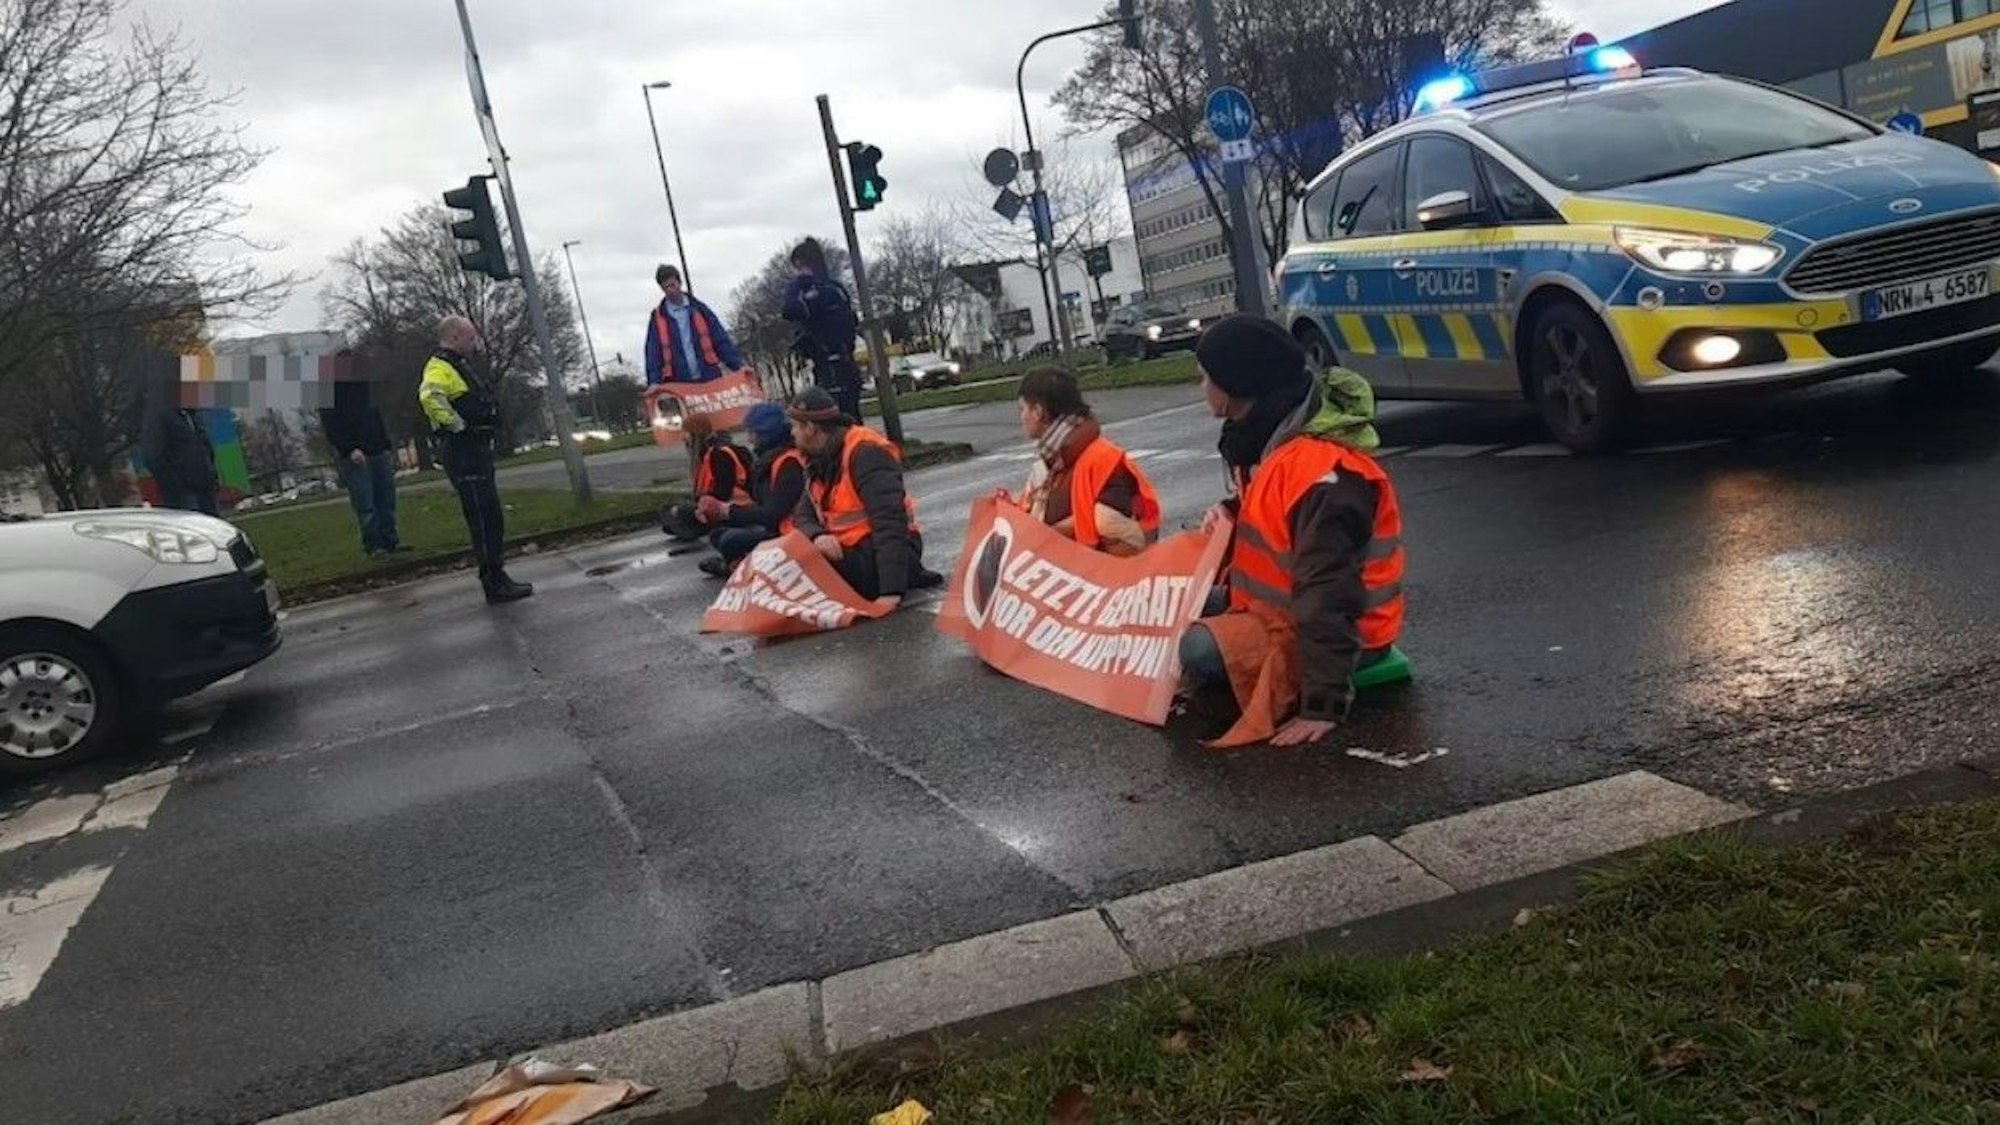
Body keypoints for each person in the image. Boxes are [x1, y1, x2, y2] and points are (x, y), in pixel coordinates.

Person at [1176, 315, 1405, 748]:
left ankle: (1287, 667)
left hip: (1348, 635)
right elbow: (1274, 522)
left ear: (1236, 384)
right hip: (1283, 610)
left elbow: (1328, 592)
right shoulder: (1268, 443)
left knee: (1197, 651)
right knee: (1179, 593)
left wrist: (1323, 703)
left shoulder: (1322, 474)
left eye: (1206, 377)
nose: (1201, 387)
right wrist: (1229, 511)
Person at [787, 388, 942, 609]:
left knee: (799, 575)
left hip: (880, 555)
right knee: (791, 564)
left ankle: (906, 576)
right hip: (851, 551)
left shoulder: (865, 453)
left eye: (794, 427)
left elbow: (889, 522)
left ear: (810, 428)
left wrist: (891, 592)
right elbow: (803, 513)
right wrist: (817, 536)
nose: (792, 434)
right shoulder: (819, 461)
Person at [418, 315, 533, 604]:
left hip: (474, 450)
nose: (474, 344)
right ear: (455, 337)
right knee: (481, 517)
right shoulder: (440, 366)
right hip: (463, 451)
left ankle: (498, 573)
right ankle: (492, 581)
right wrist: (458, 425)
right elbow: (430, 397)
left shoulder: (456, 365)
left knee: (491, 514)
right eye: (470, 338)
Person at [1015, 367, 1161, 556]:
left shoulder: (1100, 458)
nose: (1021, 418)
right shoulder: (1050, 462)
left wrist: (1047, 536)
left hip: (1103, 574)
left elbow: (1114, 530)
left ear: (1037, 412)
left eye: (1022, 409)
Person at [699, 402, 807, 577]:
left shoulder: (788, 463)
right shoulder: (768, 460)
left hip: (790, 531)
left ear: (764, 434)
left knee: (729, 540)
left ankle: (742, 566)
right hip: (775, 525)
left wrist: (727, 511)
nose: (749, 438)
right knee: (719, 534)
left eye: (751, 432)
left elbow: (772, 513)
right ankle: (743, 562)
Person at [319, 369, 403, 557]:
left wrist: (386, 444)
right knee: (366, 503)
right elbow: (331, 427)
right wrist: (348, 449)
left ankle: (391, 540)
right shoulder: (330, 394)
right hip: (356, 456)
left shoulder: (364, 388)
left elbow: (376, 417)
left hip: (378, 449)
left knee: (386, 500)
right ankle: (374, 545)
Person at [781, 238, 865, 421]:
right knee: (850, 416)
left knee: (834, 418)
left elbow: (790, 310)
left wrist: (800, 283)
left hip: (830, 363)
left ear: (800, 263)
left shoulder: (817, 290)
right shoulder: (835, 288)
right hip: (843, 361)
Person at [643, 264, 747, 386]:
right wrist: (654, 382)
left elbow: (720, 340)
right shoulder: (657, 318)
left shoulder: (700, 310)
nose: (670, 291)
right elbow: (653, 353)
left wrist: (739, 365)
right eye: (666, 288)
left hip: (709, 377)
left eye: (672, 285)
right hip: (678, 384)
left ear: (680, 283)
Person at [661, 413, 752, 542]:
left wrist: (699, 506)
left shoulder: (718, 455)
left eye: (685, 433)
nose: (683, 438)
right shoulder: (708, 455)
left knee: (675, 513)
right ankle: (696, 525)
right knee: (669, 513)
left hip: (732, 506)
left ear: (695, 434)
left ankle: (697, 527)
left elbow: (723, 491)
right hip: (718, 505)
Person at [141, 384, 220, 516]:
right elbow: (153, 458)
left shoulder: (194, 417)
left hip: (206, 488)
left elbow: (206, 448)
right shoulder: (160, 419)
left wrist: (212, 475)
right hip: (183, 494)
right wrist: (175, 485)